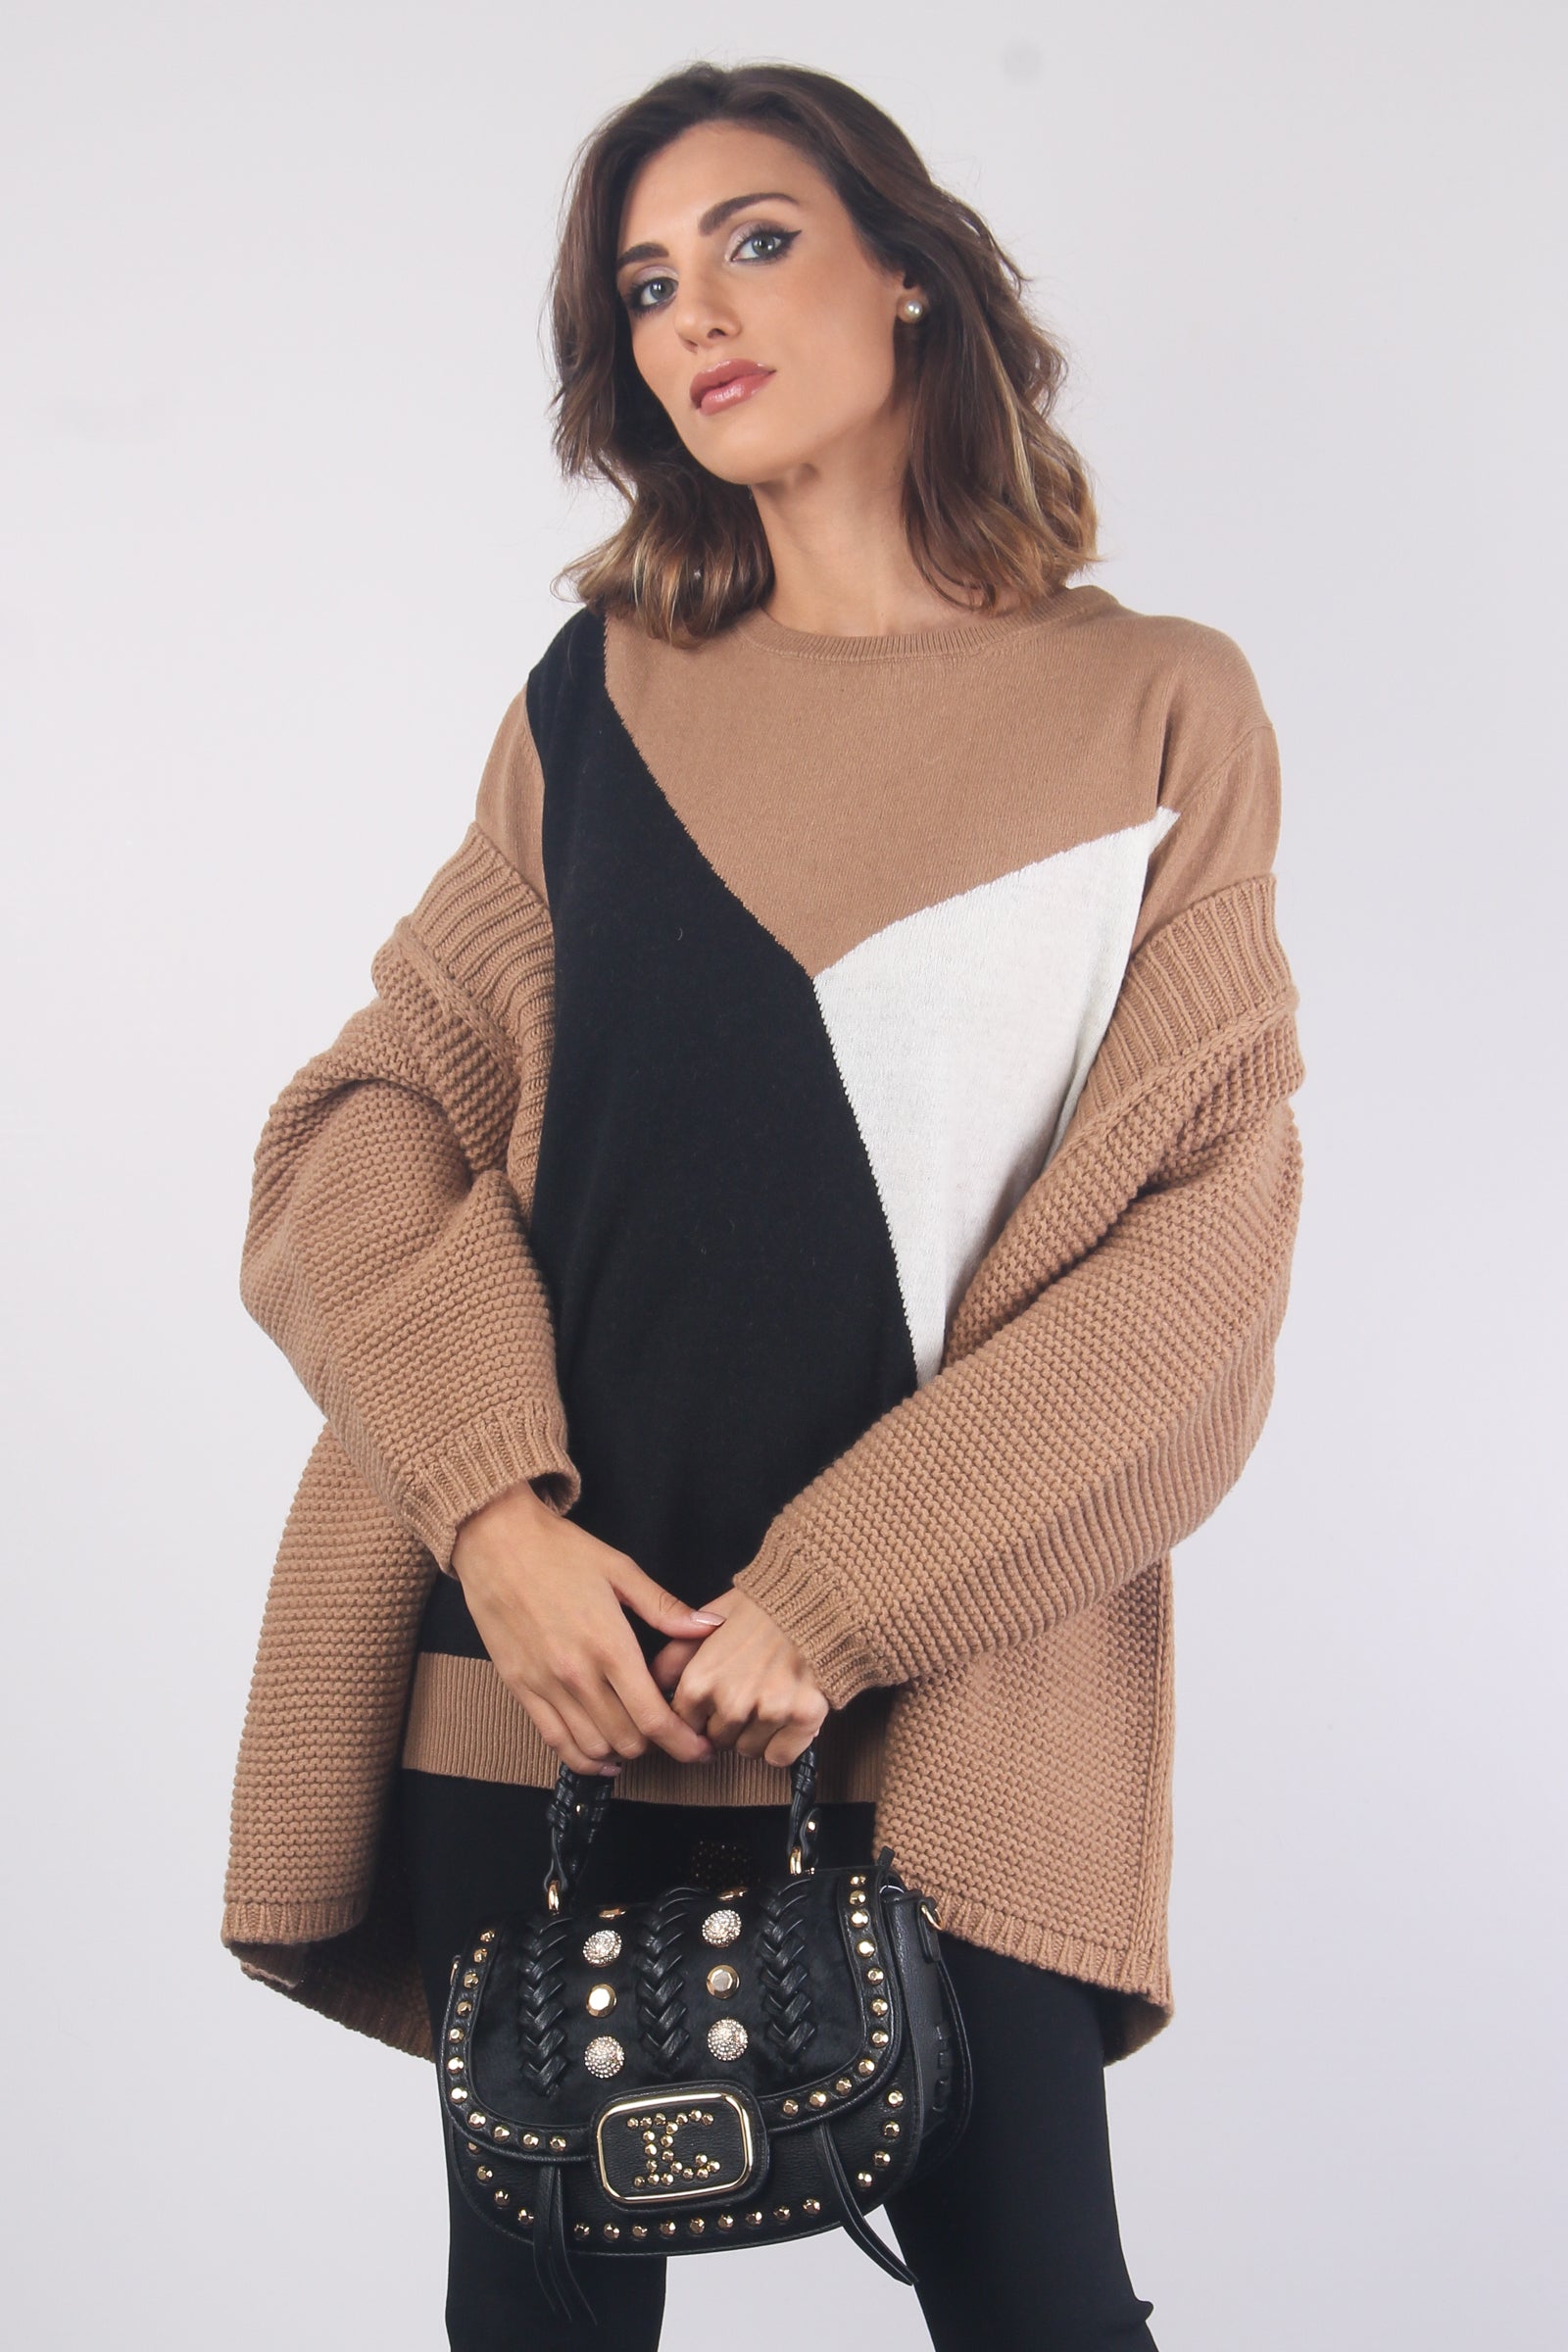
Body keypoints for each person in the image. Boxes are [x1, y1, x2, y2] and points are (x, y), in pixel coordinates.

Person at [224, 59, 1303, 2352]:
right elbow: (364, 1120)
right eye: (641, 287)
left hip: (934, 1678)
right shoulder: (594, 700)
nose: (692, 314)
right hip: (554, 1677)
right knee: (539, 2329)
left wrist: (827, 1599)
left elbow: (1199, 1255)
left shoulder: (1154, 709)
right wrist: (496, 1527)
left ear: (905, 274)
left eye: (751, 240)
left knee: (1040, 2306)